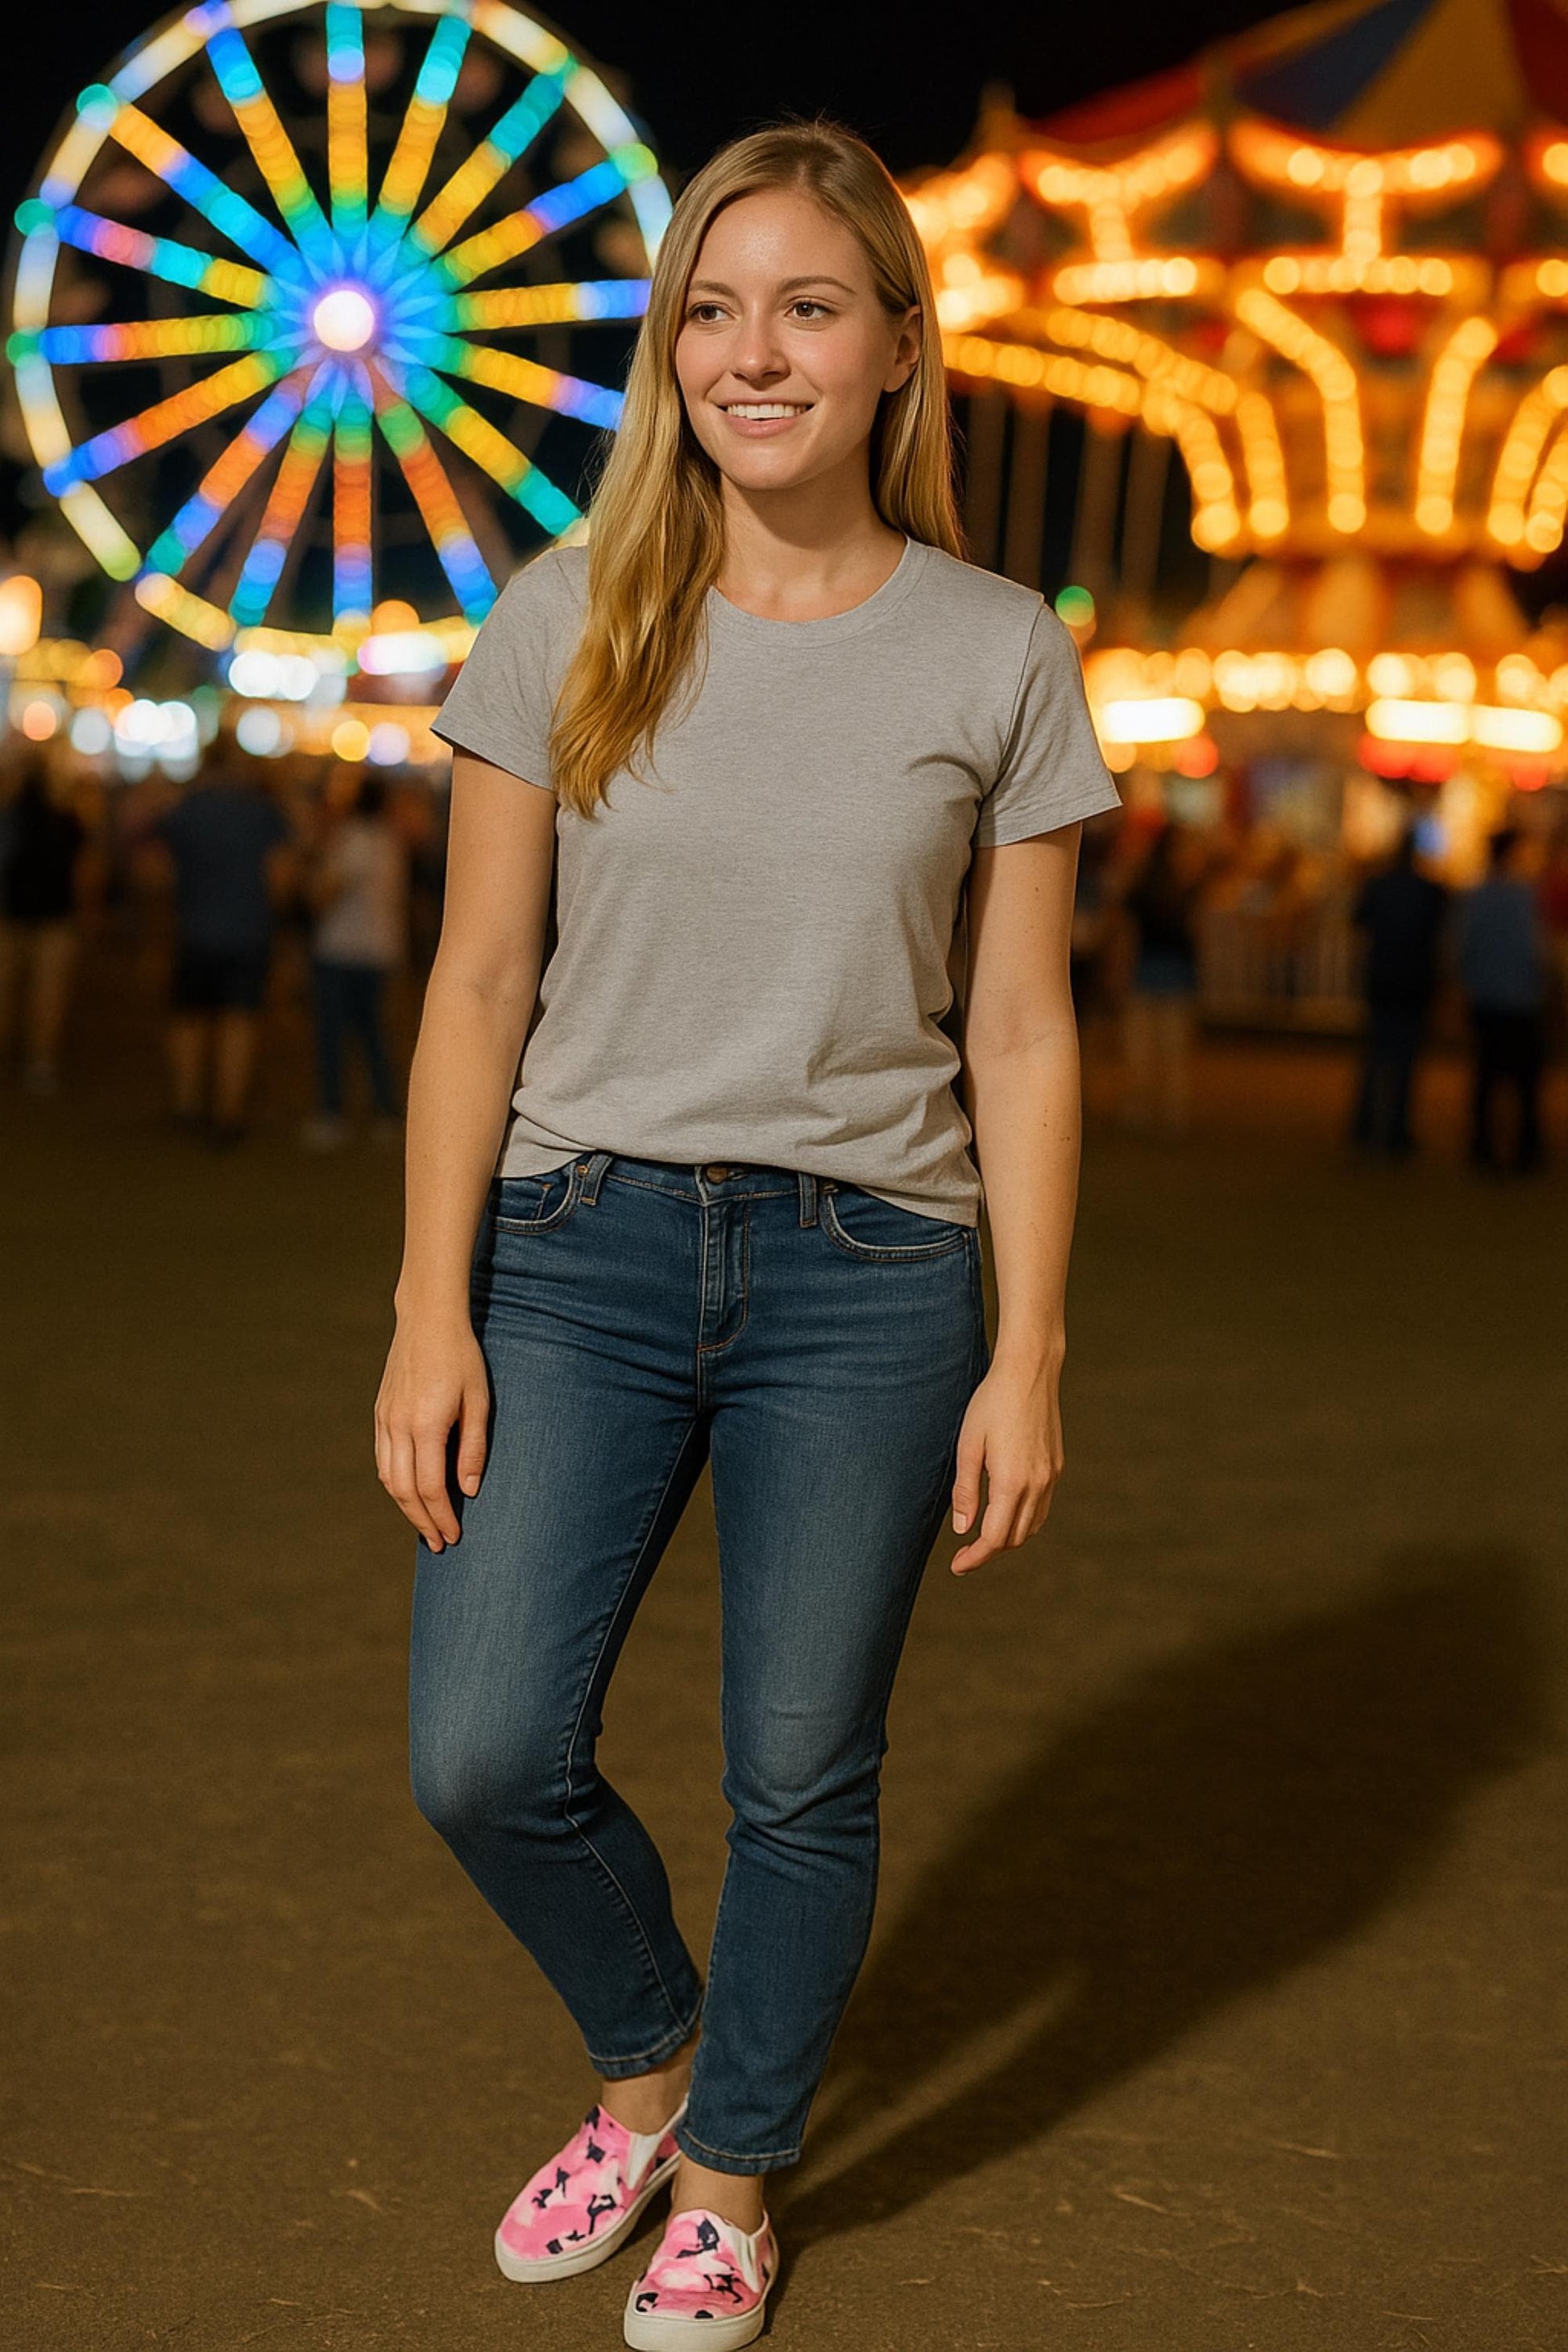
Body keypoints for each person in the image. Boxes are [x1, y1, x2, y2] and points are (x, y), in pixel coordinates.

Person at [375, 118, 1122, 2350]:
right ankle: (649, 2055)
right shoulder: (563, 610)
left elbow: (1019, 1020)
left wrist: (1033, 1344)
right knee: (484, 1746)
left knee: (802, 1761)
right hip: (574, 1243)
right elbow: (476, 985)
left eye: (807, 304)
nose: (751, 349)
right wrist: (430, 1305)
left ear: (898, 342)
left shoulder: (999, 649)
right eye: (712, 306)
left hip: (871, 1274)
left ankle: (727, 2171)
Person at [143, 741, 295, 1147]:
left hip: (193, 928)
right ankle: (229, 1112)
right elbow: (279, 877)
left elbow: (155, 870)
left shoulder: (184, 810)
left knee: (189, 1018)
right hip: (248, 931)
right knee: (238, 1020)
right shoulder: (263, 813)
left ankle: (188, 1104)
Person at [301, 769, 408, 1150]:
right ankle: (384, 1111)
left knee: (333, 1035)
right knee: (373, 1034)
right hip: (381, 949)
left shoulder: (353, 840)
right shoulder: (390, 841)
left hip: (342, 950)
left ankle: (332, 1114)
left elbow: (325, 892)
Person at [1348, 823, 1450, 1158]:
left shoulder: (1378, 886)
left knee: (1376, 1056)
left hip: (1383, 980)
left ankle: (1365, 1126)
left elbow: (1358, 921)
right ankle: (1396, 1131)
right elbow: (1440, 930)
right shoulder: (1429, 891)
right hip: (1413, 983)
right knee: (1404, 1060)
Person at [1455, 826, 1549, 1175]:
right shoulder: (1522, 897)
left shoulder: (1476, 896)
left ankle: (1482, 1146)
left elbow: (1462, 946)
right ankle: (1526, 1149)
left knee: (1486, 1076)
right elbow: (1533, 950)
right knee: (1524, 1080)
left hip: (1486, 997)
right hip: (1520, 1000)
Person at [0, 754, 89, 1094]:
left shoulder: (9, 818)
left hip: (11, 912)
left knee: (6, 987)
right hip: (55, 915)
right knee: (48, 993)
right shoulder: (66, 820)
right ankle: (41, 1062)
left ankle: (10, 1054)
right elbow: (85, 872)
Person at [1118, 818, 1205, 1139]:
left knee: (1141, 1048)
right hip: (1175, 972)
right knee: (1173, 1049)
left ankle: (1142, 1109)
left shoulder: (1143, 882)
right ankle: (1170, 1112)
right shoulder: (1185, 885)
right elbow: (1196, 930)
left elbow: (1126, 929)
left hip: (1147, 970)